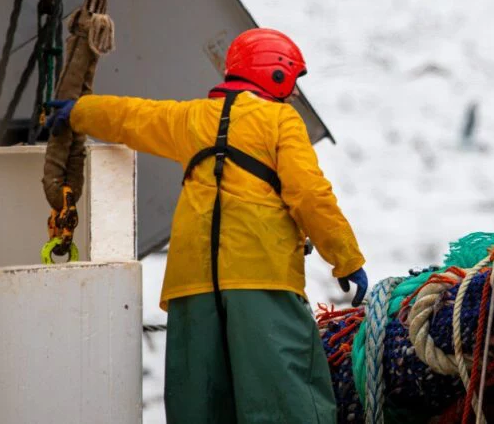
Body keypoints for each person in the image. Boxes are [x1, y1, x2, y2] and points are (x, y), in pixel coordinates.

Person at [47, 27, 366, 424]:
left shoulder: (191, 118)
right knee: (286, 399)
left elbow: (131, 117)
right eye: (294, 79)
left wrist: (76, 113)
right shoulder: (281, 119)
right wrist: (346, 258)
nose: (296, 93)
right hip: (261, 279)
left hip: (191, 287)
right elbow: (310, 194)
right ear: (276, 74)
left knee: (198, 406)